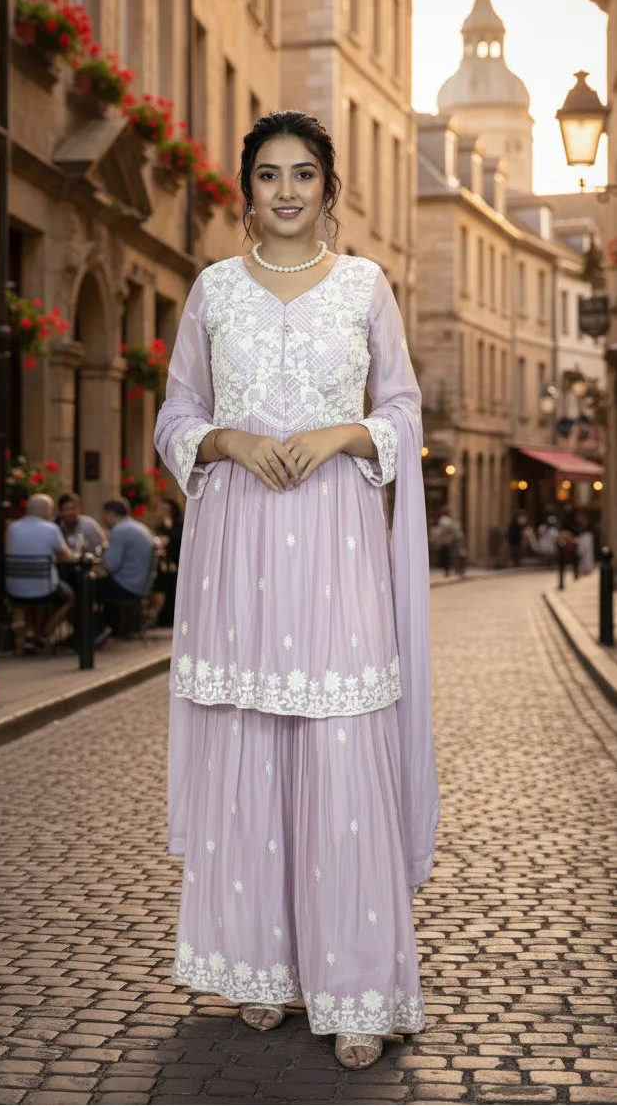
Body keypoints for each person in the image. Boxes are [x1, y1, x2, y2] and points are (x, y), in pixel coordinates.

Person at [154, 111, 439, 1071]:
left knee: (341, 745)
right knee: (251, 747)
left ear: (329, 190)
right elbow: (177, 411)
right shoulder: (212, 291)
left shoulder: (365, 287)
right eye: (268, 174)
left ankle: (358, 983)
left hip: (335, 544)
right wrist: (223, 440)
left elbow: (401, 409)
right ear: (246, 191)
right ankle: (261, 968)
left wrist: (339, 435)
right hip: (239, 548)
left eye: (303, 174)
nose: (285, 189)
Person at [5, 493, 75, 652]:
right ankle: (43, 634)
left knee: (30, 592)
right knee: (68, 597)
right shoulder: (51, 529)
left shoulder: (13, 528)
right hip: (44, 588)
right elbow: (65, 556)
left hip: (15, 588)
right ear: (47, 512)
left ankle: (30, 633)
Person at [95, 498, 157, 645]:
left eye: (104, 515)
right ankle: (106, 626)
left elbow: (110, 565)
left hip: (126, 585)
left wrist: (99, 560)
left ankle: (97, 629)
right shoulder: (139, 527)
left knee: (84, 587)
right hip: (141, 585)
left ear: (110, 514)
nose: (103, 519)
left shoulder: (120, 530)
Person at [151, 497, 184, 627]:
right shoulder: (161, 525)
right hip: (165, 565)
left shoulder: (178, 524)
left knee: (172, 585)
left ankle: (168, 617)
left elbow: (176, 539)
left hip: (177, 564)